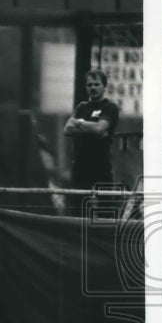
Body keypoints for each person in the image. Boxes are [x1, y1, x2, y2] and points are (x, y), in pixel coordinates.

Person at [63, 69, 120, 215]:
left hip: (101, 168)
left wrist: (80, 122)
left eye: (96, 84)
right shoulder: (81, 107)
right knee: (77, 211)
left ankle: (104, 238)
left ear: (104, 86)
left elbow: (100, 129)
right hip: (81, 168)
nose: (93, 88)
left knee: (105, 212)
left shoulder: (110, 107)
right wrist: (92, 128)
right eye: (89, 85)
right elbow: (67, 130)